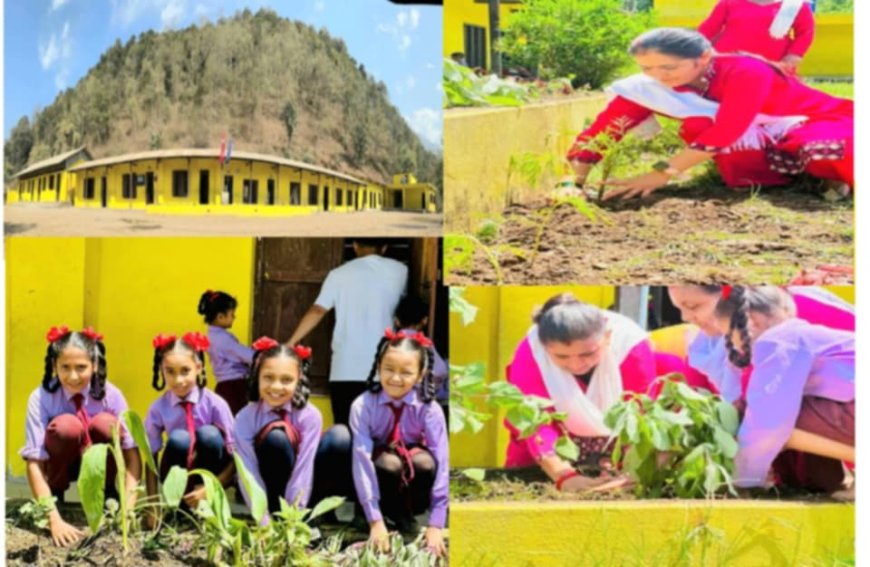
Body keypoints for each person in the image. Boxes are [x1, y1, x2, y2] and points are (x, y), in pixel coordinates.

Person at [567, 28, 853, 200]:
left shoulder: (745, 71)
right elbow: (605, 130)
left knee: (823, 150)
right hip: (751, 135)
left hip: (812, 119)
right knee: (698, 126)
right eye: (647, 69)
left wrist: (660, 174)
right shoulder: (649, 86)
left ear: (704, 58)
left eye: (668, 68)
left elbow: (727, 130)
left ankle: (822, 174)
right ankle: (773, 178)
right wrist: (571, 183)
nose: (658, 77)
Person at [713, 286, 854, 497]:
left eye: (728, 335)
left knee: (763, 417)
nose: (733, 345)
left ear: (751, 321)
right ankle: (835, 484)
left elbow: (768, 419)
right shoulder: (804, 335)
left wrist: (741, 481)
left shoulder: (778, 340)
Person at [504, 294, 655, 490]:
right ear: (545, 348)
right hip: (548, 452)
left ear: (607, 337)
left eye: (588, 353)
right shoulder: (531, 352)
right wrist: (563, 476)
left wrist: (632, 471)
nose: (576, 364)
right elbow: (535, 421)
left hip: (619, 446)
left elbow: (638, 414)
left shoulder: (631, 346)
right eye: (561, 356)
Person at [20, 326, 141, 547]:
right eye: (65, 367)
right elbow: (34, 462)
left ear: (95, 365)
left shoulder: (111, 395)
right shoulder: (40, 398)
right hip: (60, 468)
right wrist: (53, 519)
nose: (73, 376)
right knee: (66, 426)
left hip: (100, 469)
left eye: (81, 367)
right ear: (54, 365)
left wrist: (128, 510)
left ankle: (109, 495)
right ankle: (57, 495)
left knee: (106, 425)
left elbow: (132, 456)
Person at [348, 331, 448, 556]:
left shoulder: (429, 409)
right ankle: (373, 515)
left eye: (406, 372)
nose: (395, 378)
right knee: (388, 464)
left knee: (426, 462)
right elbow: (361, 461)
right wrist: (374, 520)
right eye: (389, 369)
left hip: (411, 484)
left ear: (421, 374)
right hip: (379, 478)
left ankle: (407, 514)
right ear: (378, 366)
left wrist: (436, 523)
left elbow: (442, 461)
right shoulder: (362, 406)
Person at [287, 239, 407, 425]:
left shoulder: (338, 274)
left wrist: (291, 342)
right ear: (384, 248)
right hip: (385, 367)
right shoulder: (401, 271)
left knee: (345, 429)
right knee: (380, 430)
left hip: (345, 367)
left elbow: (318, 310)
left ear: (355, 246)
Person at [668, 285, 854, 402]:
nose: (685, 318)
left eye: (693, 306)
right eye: (679, 309)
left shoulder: (793, 313)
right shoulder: (704, 347)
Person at [144, 332, 236, 517]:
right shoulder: (158, 408)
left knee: (209, 434)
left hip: (211, 477)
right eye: (170, 371)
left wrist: (213, 487)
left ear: (199, 368)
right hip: (176, 474)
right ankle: (179, 504)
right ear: (162, 370)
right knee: (179, 439)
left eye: (185, 371)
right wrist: (152, 504)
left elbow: (237, 455)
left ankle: (207, 503)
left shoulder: (215, 403)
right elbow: (150, 457)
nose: (178, 380)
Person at [233, 338, 322, 522]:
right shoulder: (245, 417)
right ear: (257, 376)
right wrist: (262, 518)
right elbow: (248, 472)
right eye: (268, 378)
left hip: (298, 499)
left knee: (338, 439)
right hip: (266, 492)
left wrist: (294, 516)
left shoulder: (310, 416)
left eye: (287, 380)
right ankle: (272, 511)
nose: (276, 387)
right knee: (276, 439)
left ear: (299, 381)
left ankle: (310, 517)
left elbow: (303, 468)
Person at [699, 0, 815, 74]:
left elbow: (805, 33)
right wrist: (695, 50)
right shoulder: (729, 3)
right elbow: (708, 29)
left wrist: (794, 55)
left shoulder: (793, 5)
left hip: (774, 65)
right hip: (729, 64)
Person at [198, 290, 254, 415]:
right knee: (236, 421)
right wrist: (263, 354)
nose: (234, 318)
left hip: (224, 385)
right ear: (220, 317)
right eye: (232, 315)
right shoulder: (223, 339)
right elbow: (247, 356)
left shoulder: (212, 336)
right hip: (234, 386)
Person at [393, 294, 449, 417]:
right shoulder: (424, 343)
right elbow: (440, 371)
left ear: (396, 320)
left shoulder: (389, 344)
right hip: (422, 404)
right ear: (425, 320)